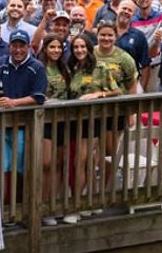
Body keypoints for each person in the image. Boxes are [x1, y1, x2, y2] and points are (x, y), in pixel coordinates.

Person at [66, 34, 120, 223]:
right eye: (76, 47)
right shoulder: (71, 68)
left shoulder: (100, 67)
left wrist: (99, 94)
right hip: (74, 120)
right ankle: (89, 202)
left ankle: (76, 205)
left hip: (94, 120)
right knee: (87, 162)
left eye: (82, 47)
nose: (79, 50)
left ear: (89, 48)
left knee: (81, 162)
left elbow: (116, 90)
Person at [0, 30, 47, 178]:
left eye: (22, 46)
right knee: (1, 166)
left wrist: (14, 103)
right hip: (2, 123)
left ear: (28, 47)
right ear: (9, 46)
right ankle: (4, 200)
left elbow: (39, 97)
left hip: (24, 124)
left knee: (21, 166)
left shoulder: (37, 66)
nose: (18, 50)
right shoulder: (1, 62)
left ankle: (21, 199)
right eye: (14, 45)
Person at [37, 34, 71, 226]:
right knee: (46, 163)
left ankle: (53, 203)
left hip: (63, 120)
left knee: (59, 162)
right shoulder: (39, 67)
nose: (56, 51)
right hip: (45, 121)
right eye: (52, 47)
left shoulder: (64, 67)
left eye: (59, 47)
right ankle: (41, 205)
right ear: (45, 48)